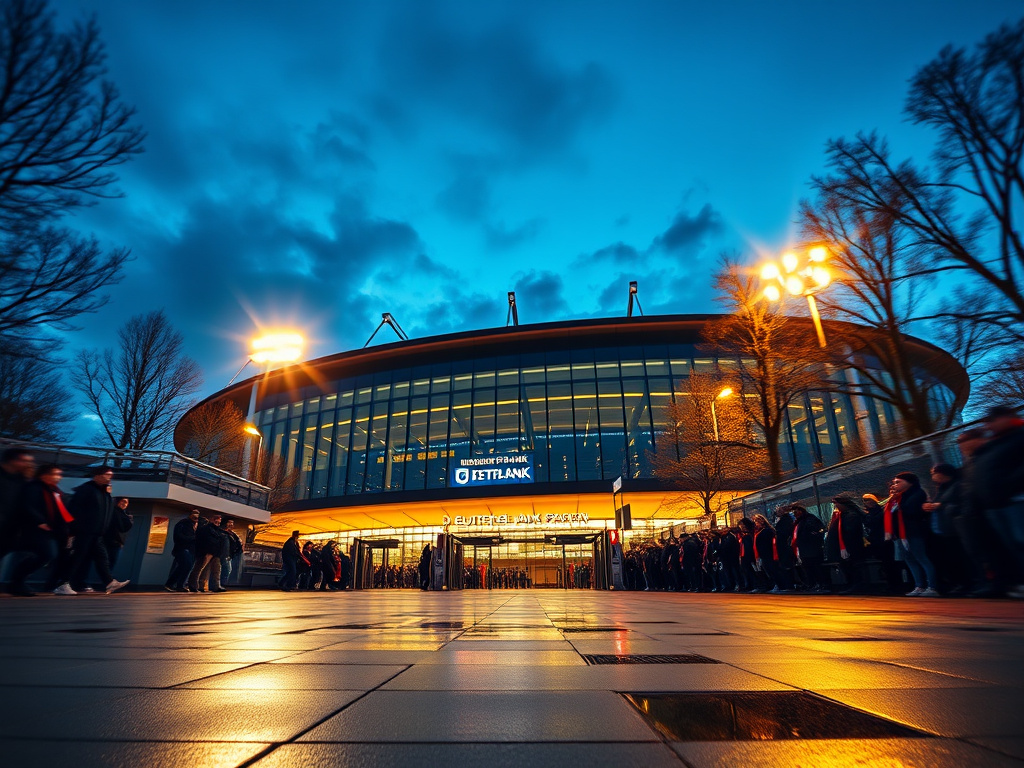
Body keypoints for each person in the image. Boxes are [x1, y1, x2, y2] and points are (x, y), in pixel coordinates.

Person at [969, 405, 1024, 598]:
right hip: (994, 503)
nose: (989, 426)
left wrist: (1010, 484)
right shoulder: (993, 443)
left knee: (1020, 539)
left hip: (1014, 498)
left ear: (1006, 418)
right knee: (1011, 543)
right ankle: (1018, 581)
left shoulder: (1018, 436)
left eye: (991, 421)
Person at [8, 464, 69, 596]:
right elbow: (28, 506)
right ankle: (16, 581)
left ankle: (17, 582)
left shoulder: (54, 491)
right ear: (44, 475)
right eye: (55, 474)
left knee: (45, 555)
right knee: (46, 554)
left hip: (47, 529)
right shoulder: (34, 487)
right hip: (35, 528)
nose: (59, 477)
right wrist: (39, 521)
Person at [68, 466, 130, 594]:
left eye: (111, 475)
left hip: (97, 533)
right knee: (78, 558)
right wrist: (74, 529)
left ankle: (109, 582)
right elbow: (74, 509)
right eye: (107, 475)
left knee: (102, 558)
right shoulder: (87, 489)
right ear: (97, 475)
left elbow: (107, 513)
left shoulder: (104, 493)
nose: (110, 478)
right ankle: (64, 582)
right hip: (85, 531)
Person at [886, 472, 939, 597]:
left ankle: (932, 586)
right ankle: (919, 585)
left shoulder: (918, 493)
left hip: (914, 532)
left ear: (909, 482)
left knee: (921, 557)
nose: (895, 485)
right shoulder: (900, 497)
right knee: (909, 559)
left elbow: (910, 511)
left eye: (898, 482)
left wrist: (897, 501)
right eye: (894, 482)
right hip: (902, 534)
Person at [0, 448, 34, 565]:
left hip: (9, 530)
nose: (29, 465)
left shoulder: (22, 480)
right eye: (25, 461)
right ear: (12, 461)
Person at [828, 494, 866, 594]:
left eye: (836, 503)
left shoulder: (851, 515)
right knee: (847, 567)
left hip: (851, 546)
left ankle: (857, 585)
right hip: (843, 546)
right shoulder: (841, 516)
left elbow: (850, 531)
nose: (835, 506)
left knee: (854, 566)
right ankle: (851, 584)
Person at [789, 504, 828, 593]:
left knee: (815, 567)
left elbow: (818, 530)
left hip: (811, 548)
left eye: (795, 512)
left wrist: (814, 537)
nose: (794, 514)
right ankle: (813, 584)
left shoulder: (809, 519)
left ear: (800, 511)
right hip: (804, 548)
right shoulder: (798, 522)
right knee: (808, 567)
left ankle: (821, 584)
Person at [188, 513, 225, 593]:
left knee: (214, 570)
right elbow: (206, 541)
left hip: (213, 552)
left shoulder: (213, 530)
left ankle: (213, 586)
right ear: (212, 520)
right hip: (207, 552)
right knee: (200, 568)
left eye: (219, 522)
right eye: (216, 521)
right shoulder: (207, 529)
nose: (218, 524)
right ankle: (194, 585)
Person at [165, 510, 198, 592]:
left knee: (184, 566)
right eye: (194, 515)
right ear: (190, 515)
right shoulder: (183, 524)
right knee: (185, 565)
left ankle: (175, 584)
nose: (196, 518)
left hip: (190, 549)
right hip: (182, 548)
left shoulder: (195, 525)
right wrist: (192, 538)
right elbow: (178, 536)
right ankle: (176, 584)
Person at [105, 497, 133, 573]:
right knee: (108, 562)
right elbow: (122, 527)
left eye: (126, 502)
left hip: (115, 542)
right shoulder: (115, 512)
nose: (124, 504)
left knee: (110, 562)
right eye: (122, 501)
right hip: (110, 541)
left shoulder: (124, 514)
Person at [771, 506, 795, 592]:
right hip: (781, 546)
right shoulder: (781, 520)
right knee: (783, 566)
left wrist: (777, 533)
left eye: (779, 511)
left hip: (785, 546)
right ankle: (787, 585)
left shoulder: (786, 520)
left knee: (786, 566)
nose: (777, 512)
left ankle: (790, 585)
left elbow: (784, 532)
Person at [219, 518, 243, 587]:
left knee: (228, 570)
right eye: (229, 523)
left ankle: (223, 584)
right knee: (226, 569)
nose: (231, 524)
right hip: (224, 554)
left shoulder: (232, 533)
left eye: (232, 523)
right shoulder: (222, 532)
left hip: (231, 555)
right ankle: (221, 584)